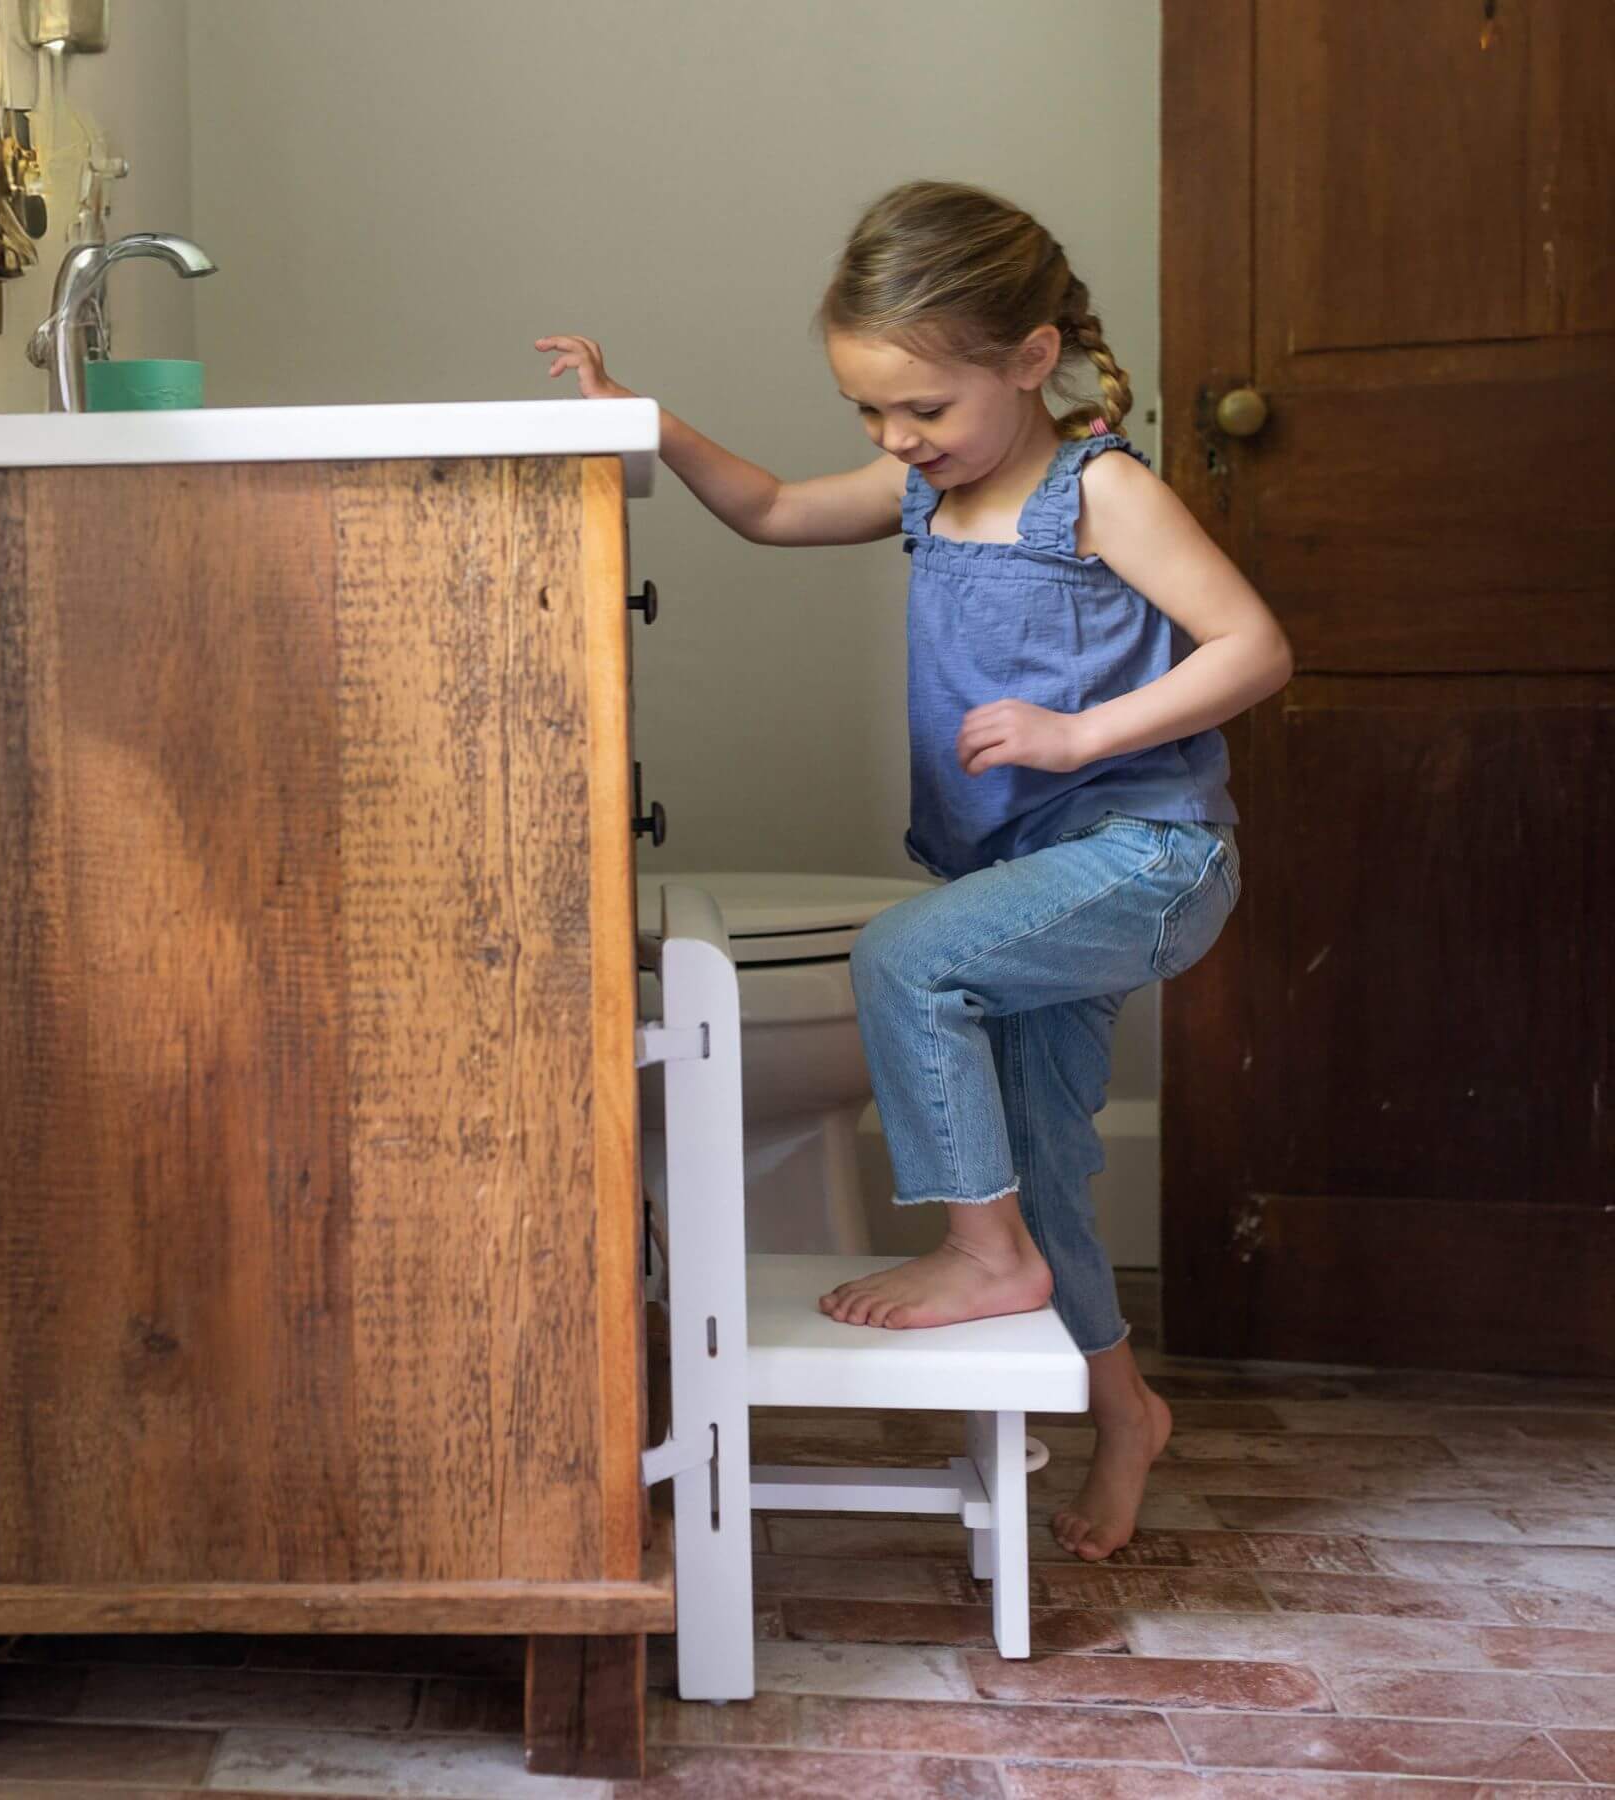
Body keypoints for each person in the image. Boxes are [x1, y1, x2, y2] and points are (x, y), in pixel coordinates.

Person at [535, 179, 1293, 1561]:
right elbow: (765, 508)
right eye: (872, 413)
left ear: (1030, 358)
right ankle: (1126, 1411)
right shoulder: (917, 495)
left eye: (925, 411)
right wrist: (648, 422)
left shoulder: (1100, 490)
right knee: (1052, 1166)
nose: (897, 438)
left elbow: (1254, 648)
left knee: (903, 953)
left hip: (1147, 854)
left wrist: (1082, 733)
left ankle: (983, 1257)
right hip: (1033, 871)